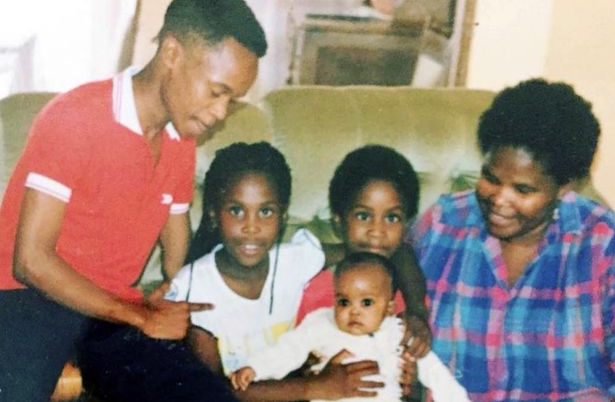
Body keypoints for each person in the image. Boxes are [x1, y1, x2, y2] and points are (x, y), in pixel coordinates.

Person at [0, 0, 266, 400]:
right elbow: (30, 261)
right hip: (28, 300)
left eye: (231, 101)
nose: (220, 113)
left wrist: (179, 292)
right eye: (217, 91)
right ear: (173, 53)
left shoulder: (181, 138)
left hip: (112, 312)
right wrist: (139, 316)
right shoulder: (75, 117)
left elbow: (177, 241)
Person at [167, 142, 422, 401]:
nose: (251, 227)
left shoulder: (295, 260)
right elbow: (214, 391)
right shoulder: (195, 288)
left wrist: (416, 311)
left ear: (283, 217)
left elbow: (387, 251)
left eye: (265, 211)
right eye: (236, 211)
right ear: (213, 214)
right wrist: (315, 387)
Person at [411, 78, 615, 401]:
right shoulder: (442, 225)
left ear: (564, 186)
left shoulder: (603, 245)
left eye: (523, 190)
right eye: (491, 178)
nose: (499, 200)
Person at [230, 252, 471, 402]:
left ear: (388, 308)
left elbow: (437, 375)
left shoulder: (397, 332)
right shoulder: (321, 323)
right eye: (344, 301)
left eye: (366, 302)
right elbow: (287, 350)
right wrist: (255, 368)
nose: (353, 311)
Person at [296, 145, 430, 353]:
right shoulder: (317, 290)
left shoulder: (408, 295)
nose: (377, 231)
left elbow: (423, 376)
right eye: (363, 216)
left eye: (392, 218)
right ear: (338, 221)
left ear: (406, 225)